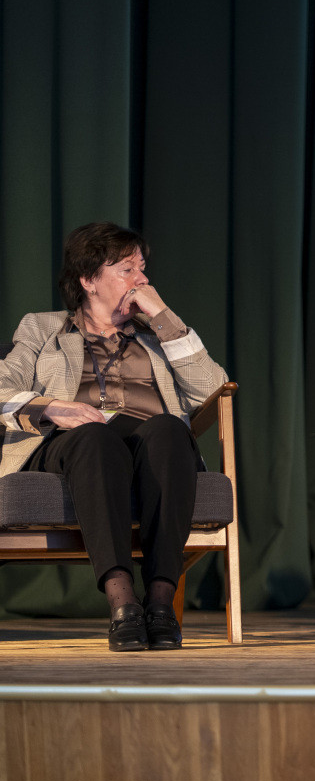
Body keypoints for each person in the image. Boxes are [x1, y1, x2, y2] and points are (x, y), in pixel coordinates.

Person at [0, 222, 228, 652]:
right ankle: (123, 603)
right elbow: (1, 385)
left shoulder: (157, 334)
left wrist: (164, 317)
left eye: (142, 268)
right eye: (127, 269)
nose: (141, 279)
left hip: (151, 444)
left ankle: (160, 604)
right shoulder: (43, 328)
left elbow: (212, 389)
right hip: (70, 444)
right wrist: (51, 407)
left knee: (169, 428)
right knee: (95, 437)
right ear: (88, 280)